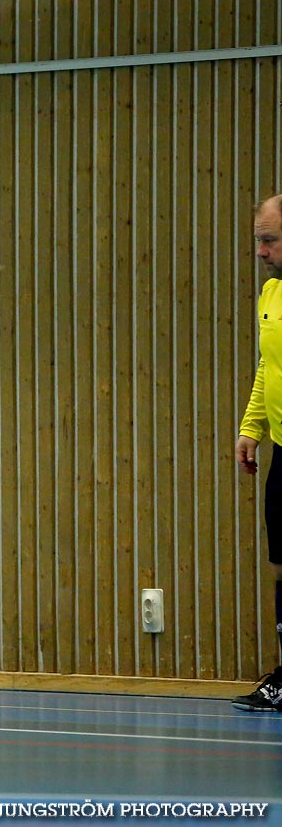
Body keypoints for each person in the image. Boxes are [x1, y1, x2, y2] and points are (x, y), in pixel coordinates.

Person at [235, 194, 282, 711]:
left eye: (268, 240)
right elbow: (269, 369)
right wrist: (253, 428)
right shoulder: (271, 294)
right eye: (258, 241)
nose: (261, 252)